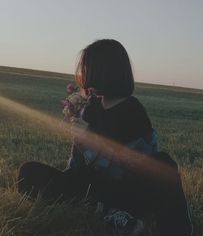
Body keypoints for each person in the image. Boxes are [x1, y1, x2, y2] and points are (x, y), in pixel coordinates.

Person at [18, 39, 193, 236]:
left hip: (127, 190)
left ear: (105, 72)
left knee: (165, 164)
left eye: (87, 70)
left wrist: (92, 139)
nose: (84, 76)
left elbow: (135, 168)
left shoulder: (132, 111)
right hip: (93, 188)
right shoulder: (91, 108)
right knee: (29, 171)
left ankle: (165, 226)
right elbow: (77, 165)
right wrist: (68, 176)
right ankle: (109, 213)